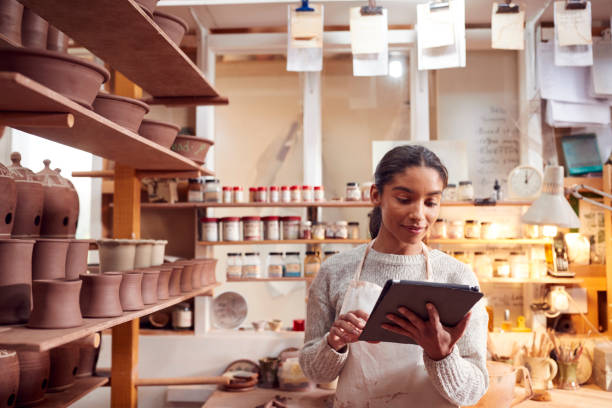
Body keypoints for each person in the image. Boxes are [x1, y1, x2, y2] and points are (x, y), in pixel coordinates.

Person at [298, 145, 488, 407]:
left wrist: (441, 355)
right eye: (404, 198)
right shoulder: (335, 270)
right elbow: (315, 373)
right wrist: (334, 344)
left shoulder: (458, 277)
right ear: (376, 195)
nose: (419, 215)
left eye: (431, 202)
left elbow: (472, 392)